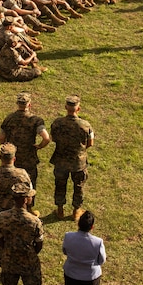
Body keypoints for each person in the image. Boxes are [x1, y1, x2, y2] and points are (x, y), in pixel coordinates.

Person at [0, 92, 50, 215]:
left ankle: (12, 206)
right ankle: (29, 208)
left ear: (17, 104)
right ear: (29, 104)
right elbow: (46, 138)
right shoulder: (35, 120)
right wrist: (39, 146)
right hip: (29, 157)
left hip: (12, 158)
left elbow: (2, 137)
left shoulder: (9, 118)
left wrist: (6, 147)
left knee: (12, 181)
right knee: (29, 182)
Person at [49, 94, 94, 222]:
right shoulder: (85, 125)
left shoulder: (57, 123)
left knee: (60, 184)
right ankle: (76, 211)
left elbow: (53, 138)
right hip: (78, 162)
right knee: (78, 186)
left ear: (65, 107)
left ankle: (60, 210)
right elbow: (90, 143)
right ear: (78, 109)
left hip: (60, 160)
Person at [0, 143, 30, 220]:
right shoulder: (23, 175)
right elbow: (29, 199)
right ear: (14, 158)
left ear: (0, 157)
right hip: (19, 217)